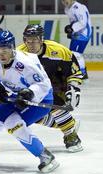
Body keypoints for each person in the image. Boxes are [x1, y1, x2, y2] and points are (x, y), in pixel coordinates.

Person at [0, 29, 59, 173]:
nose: (1, 54)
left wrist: (30, 93)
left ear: (12, 48)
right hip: (14, 96)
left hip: (40, 99)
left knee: (12, 124)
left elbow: (44, 85)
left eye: (5, 49)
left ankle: (46, 156)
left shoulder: (26, 63)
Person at [17, 24, 83, 152]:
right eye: (28, 40)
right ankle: (68, 123)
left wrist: (73, 89)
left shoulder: (59, 51)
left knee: (53, 104)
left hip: (57, 84)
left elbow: (74, 72)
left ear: (42, 39)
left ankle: (70, 134)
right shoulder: (19, 54)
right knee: (27, 114)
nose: (31, 44)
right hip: (33, 87)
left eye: (35, 40)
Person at [61, 0, 92, 79]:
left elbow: (83, 22)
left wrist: (72, 28)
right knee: (72, 54)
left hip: (83, 34)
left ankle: (82, 73)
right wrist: (71, 30)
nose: (64, 2)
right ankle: (78, 72)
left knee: (76, 54)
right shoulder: (67, 9)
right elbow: (74, 21)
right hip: (77, 34)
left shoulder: (78, 7)